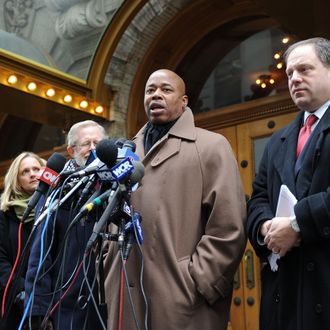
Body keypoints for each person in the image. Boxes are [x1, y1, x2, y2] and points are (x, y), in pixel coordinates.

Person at [103, 69, 247, 330]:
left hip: (182, 300)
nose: (156, 94)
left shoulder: (211, 146)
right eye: (150, 90)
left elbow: (228, 226)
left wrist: (197, 281)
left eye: (166, 89)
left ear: (184, 101)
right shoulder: (125, 152)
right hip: (124, 296)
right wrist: (107, 263)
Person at [246, 37, 330, 330]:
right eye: (290, 72)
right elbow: (257, 198)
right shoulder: (278, 140)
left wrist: (298, 225)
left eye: (305, 69)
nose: (294, 78)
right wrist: (265, 226)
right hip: (285, 294)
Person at [24, 120, 107, 329]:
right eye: (86, 144)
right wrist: (38, 309)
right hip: (68, 306)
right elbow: (41, 254)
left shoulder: (116, 184)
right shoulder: (59, 190)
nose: (93, 149)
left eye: (99, 143)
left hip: (109, 302)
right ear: (71, 150)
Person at [0, 152, 44, 329]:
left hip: (50, 297)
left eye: (36, 168)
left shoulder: (57, 205)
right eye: (25, 171)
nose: (33, 174)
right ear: (17, 180)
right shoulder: (5, 213)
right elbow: (1, 260)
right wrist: (19, 292)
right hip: (16, 300)